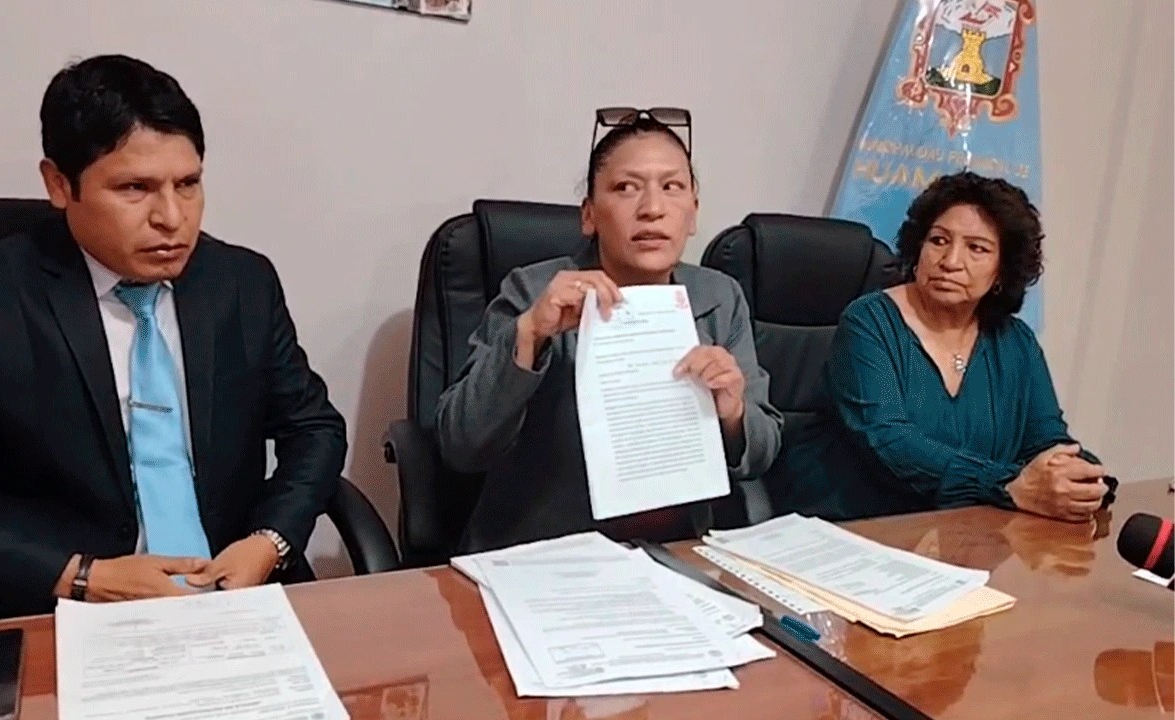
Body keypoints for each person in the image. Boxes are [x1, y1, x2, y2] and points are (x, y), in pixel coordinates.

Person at [0, 54, 347, 625]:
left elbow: (314, 429)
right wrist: (80, 576)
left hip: (233, 602)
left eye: (188, 184)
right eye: (135, 188)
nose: (172, 217)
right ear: (59, 184)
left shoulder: (241, 283)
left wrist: (269, 540)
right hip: (58, 609)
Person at [436, 109, 783, 553]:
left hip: (675, 554)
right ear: (589, 216)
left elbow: (762, 450)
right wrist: (530, 335)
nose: (652, 209)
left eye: (672, 187)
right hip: (546, 556)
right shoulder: (535, 291)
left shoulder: (719, 297)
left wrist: (732, 414)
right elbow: (460, 444)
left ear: (693, 212)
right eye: (626, 188)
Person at [771, 171, 1114, 522]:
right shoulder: (868, 322)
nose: (950, 261)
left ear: (1002, 270)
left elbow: (1046, 441)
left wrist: (1080, 480)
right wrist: (1008, 484)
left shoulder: (1015, 342)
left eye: (976, 248)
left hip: (966, 530)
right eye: (938, 240)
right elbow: (889, 441)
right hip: (858, 525)